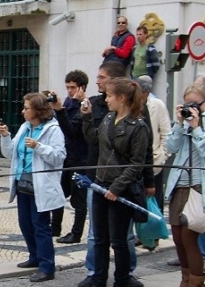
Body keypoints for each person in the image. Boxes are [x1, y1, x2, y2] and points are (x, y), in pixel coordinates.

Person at [78, 62, 146, 287]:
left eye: (109, 96)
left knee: (118, 240)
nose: (105, 99)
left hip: (120, 190)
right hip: (100, 184)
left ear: (122, 98)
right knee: (99, 238)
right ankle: (98, 277)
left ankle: (123, 279)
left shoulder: (138, 126)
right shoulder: (108, 118)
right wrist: (87, 118)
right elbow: (95, 140)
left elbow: (137, 163)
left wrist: (116, 188)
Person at [163, 84, 205, 287]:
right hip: (179, 183)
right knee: (177, 237)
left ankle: (197, 283)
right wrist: (180, 124)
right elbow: (171, 147)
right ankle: (186, 280)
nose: (191, 108)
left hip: (201, 184)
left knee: (189, 236)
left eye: (194, 104)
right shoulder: (186, 119)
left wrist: (197, 128)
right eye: (187, 104)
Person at [0, 92, 65, 282]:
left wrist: (39, 146)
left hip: (40, 186)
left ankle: (47, 267)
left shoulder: (53, 130)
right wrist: (5, 137)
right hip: (23, 184)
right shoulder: (25, 127)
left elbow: (59, 157)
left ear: (37, 111)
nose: (23, 111)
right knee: (25, 223)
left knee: (41, 226)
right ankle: (34, 257)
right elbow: (10, 153)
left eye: (26, 108)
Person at [53, 70, 90, 244]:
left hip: (80, 158)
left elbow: (73, 130)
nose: (69, 91)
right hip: (66, 156)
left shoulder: (85, 105)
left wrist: (61, 111)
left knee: (78, 198)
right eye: (67, 87)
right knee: (59, 193)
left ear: (81, 88)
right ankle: (55, 227)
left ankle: (76, 233)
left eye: (72, 87)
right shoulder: (69, 102)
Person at [137, 75, 172, 210]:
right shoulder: (130, 105)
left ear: (146, 93)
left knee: (155, 207)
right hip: (136, 165)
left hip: (154, 163)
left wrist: (162, 157)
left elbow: (166, 133)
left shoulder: (157, 105)